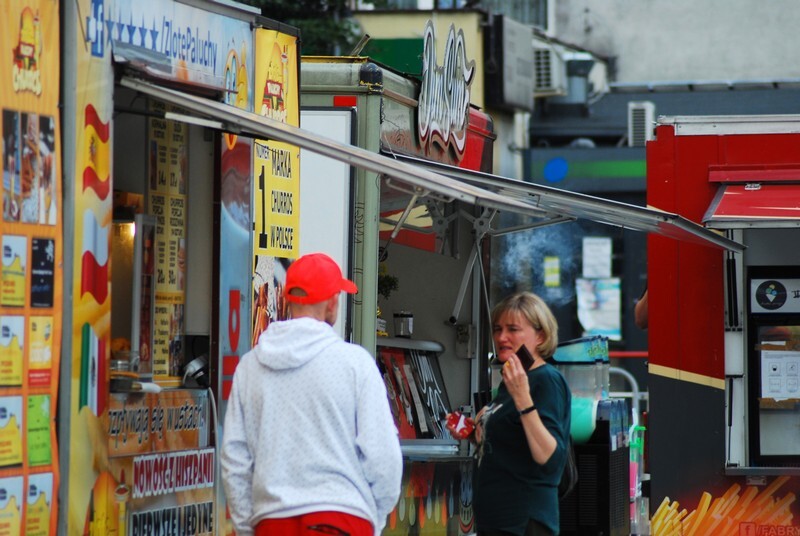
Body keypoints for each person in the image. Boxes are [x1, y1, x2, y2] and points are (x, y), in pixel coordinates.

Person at [221, 252, 403, 536]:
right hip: (344, 520)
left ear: (285, 300)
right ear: (332, 303)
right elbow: (383, 457)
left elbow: (235, 458)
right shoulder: (355, 364)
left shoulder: (250, 368)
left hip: (272, 523)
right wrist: (372, 517)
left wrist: (248, 527)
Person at [472, 291, 571, 536]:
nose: (502, 337)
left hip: (524, 522)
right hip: (496, 519)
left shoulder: (546, 380)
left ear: (541, 336)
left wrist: (523, 399)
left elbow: (551, 460)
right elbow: (511, 443)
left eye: (513, 329)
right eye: (497, 329)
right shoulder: (512, 381)